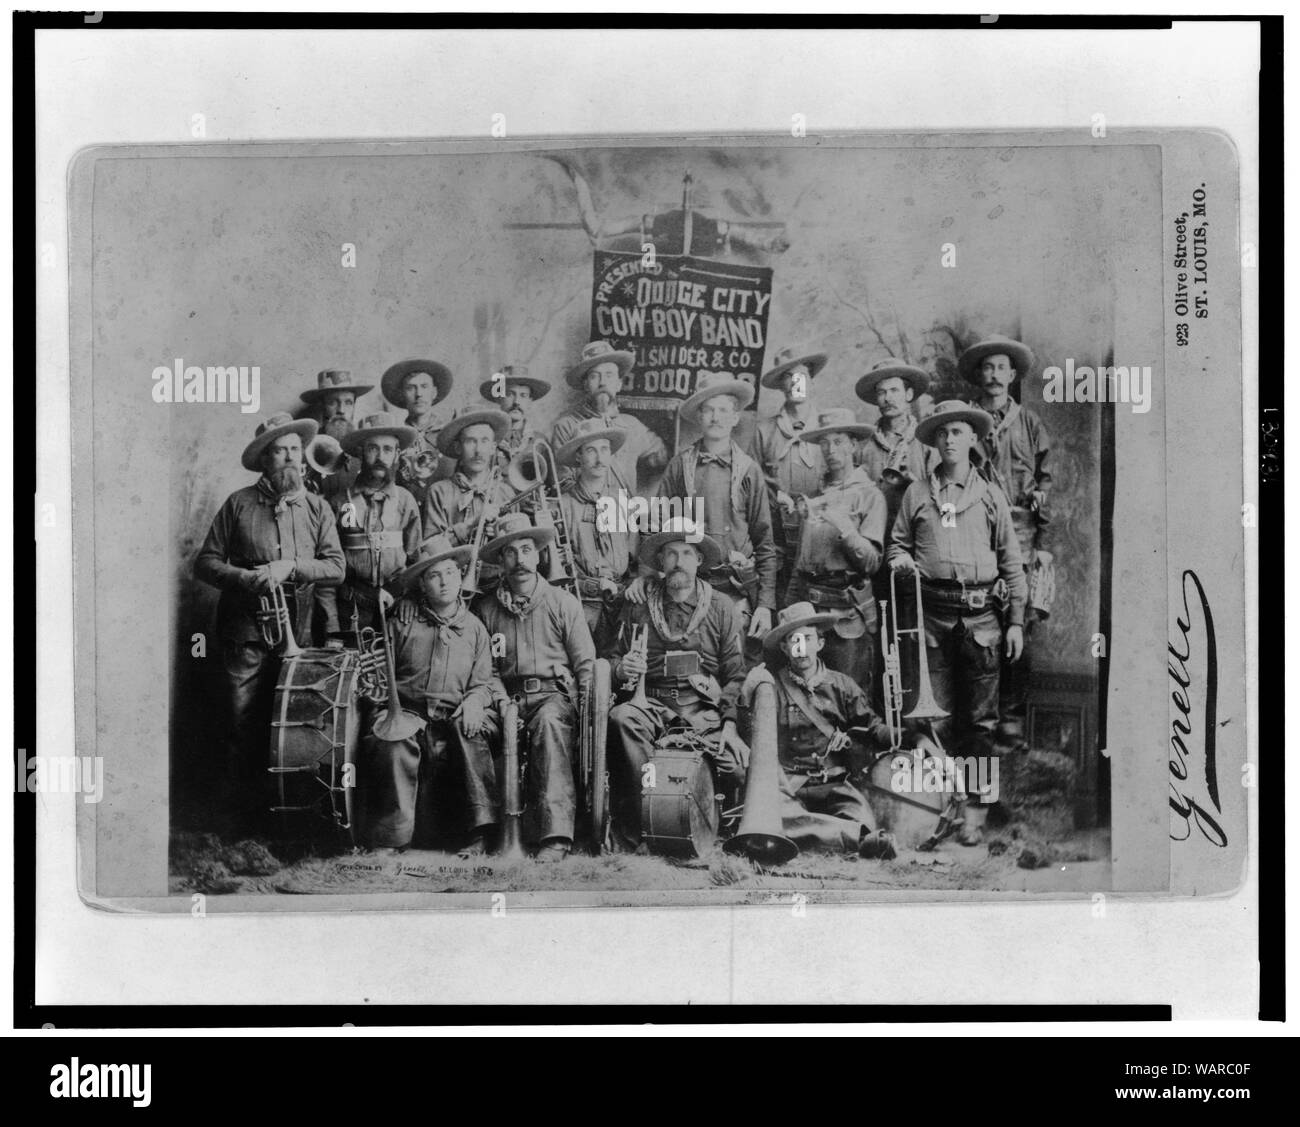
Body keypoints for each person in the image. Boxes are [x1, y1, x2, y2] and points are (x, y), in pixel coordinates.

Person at [194, 413, 345, 828]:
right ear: (265, 459)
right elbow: (204, 564)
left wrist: (290, 568)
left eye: (296, 451)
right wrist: (245, 578)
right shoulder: (238, 504)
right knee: (239, 720)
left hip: (298, 632)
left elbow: (336, 567)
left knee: (295, 727)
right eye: (280, 451)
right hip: (245, 632)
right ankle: (235, 822)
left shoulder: (318, 508)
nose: (290, 460)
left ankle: (286, 820)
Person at [886, 400, 1027, 845]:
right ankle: (935, 812)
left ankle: (974, 816)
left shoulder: (990, 496)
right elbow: (895, 547)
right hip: (931, 620)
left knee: (981, 725)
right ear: (934, 441)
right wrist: (903, 560)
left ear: (972, 439)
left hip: (983, 620)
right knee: (934, 721)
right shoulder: (916, 494)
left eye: (959, 432)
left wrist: (1017, 622)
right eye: (943, 433)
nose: (950, 440)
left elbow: (1012, 563)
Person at [353, 535, 501, 855]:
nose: (444, 581)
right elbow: (379, 676)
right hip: (407, 710)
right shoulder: (402, 621)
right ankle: (391, 838)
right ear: (422, 585)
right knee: (392, 741)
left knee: (471, 731)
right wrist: (384, 707)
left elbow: (482, 682)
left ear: (460, 576)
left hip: (453, 714)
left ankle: (478, 835)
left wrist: (475, 703)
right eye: (433, 575)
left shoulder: (476, 629)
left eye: (449, 572)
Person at [607, 517, 748, 850]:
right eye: (671, 554)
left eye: (687, 553)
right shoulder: (638, 606)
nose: (679, 561)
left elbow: (736, 674)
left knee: (738, 768)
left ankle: (710, 826)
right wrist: (621, 669)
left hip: (702, 709)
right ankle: (650, 821)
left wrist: (728, 724)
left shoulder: (721, 608)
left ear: (699, 560)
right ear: (660, 562)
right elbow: (612, 656)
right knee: (621, 719)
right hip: (652, 704)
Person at [472, 512, 595, 861]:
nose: (520, 559)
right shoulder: (486, 610)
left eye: (526, 549)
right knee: (473, 729)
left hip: (551, 697)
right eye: (510, 552)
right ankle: (483, 829)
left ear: (539, 554)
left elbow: (585, 664)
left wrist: (586, 715)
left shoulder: (562, 603)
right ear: (500, 560)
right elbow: (486, 669)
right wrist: (500, 703)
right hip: (504, 699)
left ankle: (555, 835)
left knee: (550, 724)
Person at [958, 334, 1052, 741]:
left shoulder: (1029, 424)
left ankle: (1011, 714)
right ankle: (978, 720)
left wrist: (1044, 542)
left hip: (1022, 533)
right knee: (979, 623)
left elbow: (1047, 482)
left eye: (1001, 368)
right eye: (988, 367)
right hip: (976, 533)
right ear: (979, 375)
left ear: (1012, 375)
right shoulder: (965, 423)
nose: (994, 375)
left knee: (1019, 622)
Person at [749, 603, 898, 858]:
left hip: (835, 785)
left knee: (863, 817)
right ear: (784, 648)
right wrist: (748, 691)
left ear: (819, 643)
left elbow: (873, 728)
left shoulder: (842, 686)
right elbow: (758, 742)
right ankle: (855, 838)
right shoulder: (772, 687)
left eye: (806, 639)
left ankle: (837, 834)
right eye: (792, 641)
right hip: (791, 786)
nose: (800, 648)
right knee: (775, 819)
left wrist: (904, 735)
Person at [647, 372, 777, 653]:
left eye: (723, 410)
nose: (716, 417)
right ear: (698, 416)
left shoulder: (749, 471)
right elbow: (657, 528)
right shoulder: (680, 466)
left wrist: (765, 605)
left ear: (735, 417)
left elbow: (765, 543)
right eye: (708, 410)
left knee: (733, 672)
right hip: (688, 589)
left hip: (735, 589)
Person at [786, 408, 886, 686]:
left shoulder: (870, 496)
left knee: (848, 698)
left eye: (839, 441)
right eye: (825, 443)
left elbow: (872, 564)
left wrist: (846, 529)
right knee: (807, 694)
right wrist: (789, 611)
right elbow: (800, 563)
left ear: (854, 445)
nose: (831, 450)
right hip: (809, 616)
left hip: (847, 618)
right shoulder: (815, 498)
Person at [315, 412, 423, 640]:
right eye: (373, 448)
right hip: (351, 608)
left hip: (396, 607)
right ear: (360, 452)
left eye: (387, 449)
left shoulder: (405, 501)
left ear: (397, 454)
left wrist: (410, 598)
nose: (380, 456)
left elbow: (417, 562)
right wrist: (332, 624)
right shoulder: (339, 503)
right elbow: (326, 569)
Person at [751, 347, 828, 604]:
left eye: (801, 376)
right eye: (788, 377)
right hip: (778, 538)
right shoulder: (764, 432)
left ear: (812, 380)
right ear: (781, 386)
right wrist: (775, 499)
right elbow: (750, 486)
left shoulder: (829, 428)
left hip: (821, 537)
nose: (795, 383)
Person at [555, 418, 638, 647]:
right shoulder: (563, 505)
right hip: (581, 606)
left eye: (604, 449)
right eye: (591, 450)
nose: (600, 458)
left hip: (620, 606)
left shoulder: (623, 502)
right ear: (578, 457)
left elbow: (635, 560)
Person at [551, 340, 668, 494]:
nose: (603, 383)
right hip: (584, 515)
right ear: (586, 384)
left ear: (619, 384)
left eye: (609, 375)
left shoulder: (632, 426)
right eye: (594, 376)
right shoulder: (567, 426)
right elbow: (563, 485)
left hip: (625, 514)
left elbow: (662, 459)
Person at [421, 406, 518, 582]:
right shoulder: (439, 491)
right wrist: (471, 525)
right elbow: (429, 550)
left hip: (499, 583)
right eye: (470, 441)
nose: (478, 450)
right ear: (458, 447)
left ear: (493, 448)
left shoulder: (506, 492)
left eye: (484, 441)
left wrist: (499, 537)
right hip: (452, 585)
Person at [854, 357, 937, 536]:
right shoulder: (863, 446)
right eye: (881, 392)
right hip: (873, 539)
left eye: (894, 390)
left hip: (917, 538)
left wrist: (916, 487)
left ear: (908, 395)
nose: (888, 398)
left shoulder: (926, 443)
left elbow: (946, 500)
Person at [381, 358, 455, 508]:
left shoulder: (450, 435)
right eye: (410, 388)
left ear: (434, 392)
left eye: (424, 386)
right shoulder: (396, 438)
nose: (419, 394)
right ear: (402, 394)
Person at [298, 368, 373, 495]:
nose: (341, 410)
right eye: (333, 402)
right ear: (322, 406)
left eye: (348, 403)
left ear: (354, 406)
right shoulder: (306, 447)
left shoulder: (366, 446)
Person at [479, 363, 550, 468]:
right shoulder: (486, 438)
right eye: (510, 394)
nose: (516, 402)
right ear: (499, 398)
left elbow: (552, 483)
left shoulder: (540, 442)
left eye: (523, 395)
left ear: (530, 401)